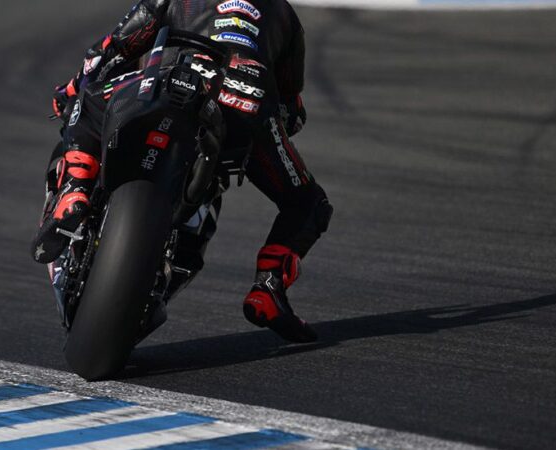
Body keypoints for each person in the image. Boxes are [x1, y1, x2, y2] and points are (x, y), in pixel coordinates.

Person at [30, 0, 332, 343]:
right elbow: (292, 112)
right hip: (248, 104)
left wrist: (70, 89)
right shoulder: (286, 16)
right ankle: (268, 287)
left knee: (89, 99)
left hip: (172, 80)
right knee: (309, 203)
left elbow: (114, 47)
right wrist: (259, 133)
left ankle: (75, 191)